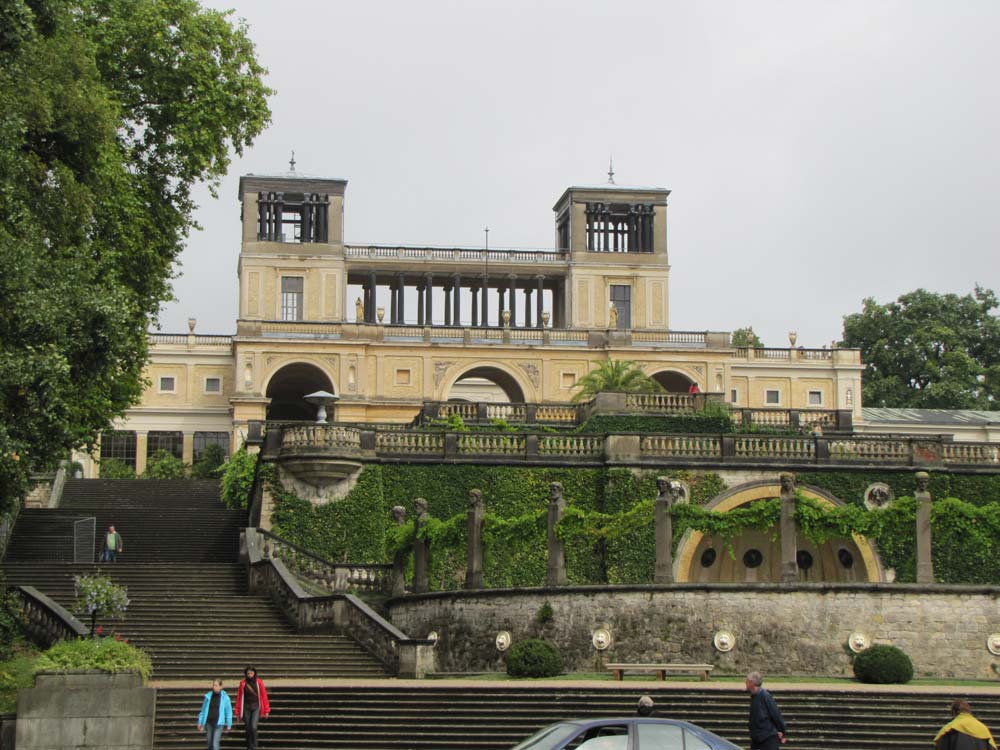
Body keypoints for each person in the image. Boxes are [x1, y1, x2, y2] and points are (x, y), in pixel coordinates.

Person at [745, 671, 787, 749]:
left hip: (768, 738)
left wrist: (782, 731)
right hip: (757, 739)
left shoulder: (765, 696)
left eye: (747, 681)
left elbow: (776, 715)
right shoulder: (754, 696)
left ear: (752, 682)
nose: (745, 682)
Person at [236, 666, 270, 750]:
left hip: (256, 706)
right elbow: (239, 697)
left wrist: (266, 710)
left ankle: (254, 745)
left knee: (253, 726)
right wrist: (237, 711)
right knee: (248, 727)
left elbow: (264, 696)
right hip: (246, 707)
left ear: (254, 673)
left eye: (251, 673)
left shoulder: (259, 682)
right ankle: (249, 745)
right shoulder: (243, 683)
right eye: (248, 673)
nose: (250, 675)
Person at [197, 679, 232, 750]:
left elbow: (228, 711)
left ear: (221, 687)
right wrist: (200, 722)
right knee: (210, 743)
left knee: (215, 744)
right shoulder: (208, 697)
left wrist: (229, 724)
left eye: (216, 685)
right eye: (213, 685)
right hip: (209, 722)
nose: (214, 687)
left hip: (219, 723)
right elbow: (203, 710)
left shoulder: (225, 698)